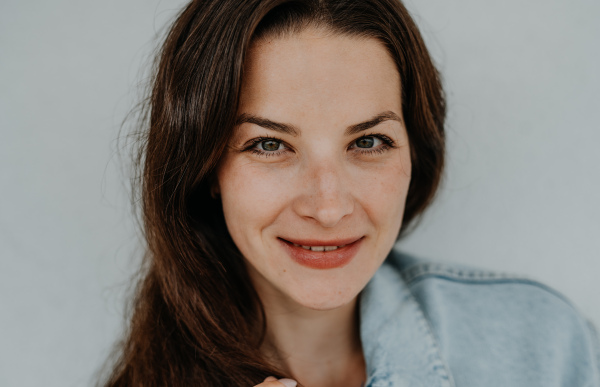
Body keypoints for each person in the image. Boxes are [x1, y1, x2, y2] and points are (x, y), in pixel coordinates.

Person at [100, 0, 600, 386]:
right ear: (206, 165)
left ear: (414, 150)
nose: (329, 206)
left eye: (368, 141)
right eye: (270, 144)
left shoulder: (541, 346)